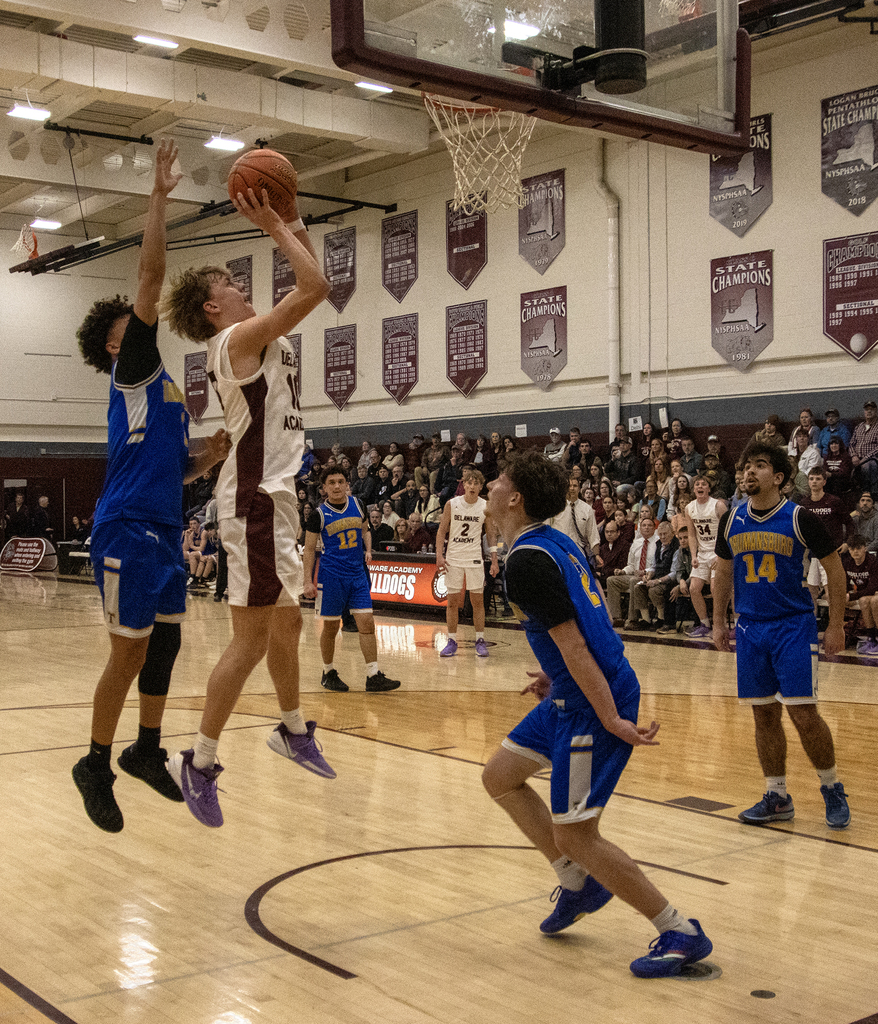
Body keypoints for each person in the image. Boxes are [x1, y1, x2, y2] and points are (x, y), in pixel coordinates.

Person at [481, 451, 712, 977]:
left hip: (591, 700)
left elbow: (576, 644)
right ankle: (576, 882)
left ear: (514, 499)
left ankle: (678, 929)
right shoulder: (555, 540)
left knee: (577, 834)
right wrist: (555, 672)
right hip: (573, 687)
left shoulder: (526, 561)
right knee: (500, 776)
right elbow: (594, 614)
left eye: (498, 481)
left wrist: (609, 717)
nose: (490, 485)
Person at [160, 180, 334, 828]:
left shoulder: (248, 339)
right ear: (213, 306)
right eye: (231, 283)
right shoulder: (235, 340)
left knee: (287, 627)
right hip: (255, 500)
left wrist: (292, 215)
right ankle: (200, 760)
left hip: (274, 497)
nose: (242, 286)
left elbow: (307, 276)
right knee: (251, 640)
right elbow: (315, 288)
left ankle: (291, 728)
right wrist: (275, 228)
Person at [71, 141, 231, 833]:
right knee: (128, 650)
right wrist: (159, 200)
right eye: (128, 324)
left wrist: (208, 458)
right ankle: (94, 763)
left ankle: (145, 749)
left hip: (163, 524)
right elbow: (151, 273)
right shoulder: (131, 367)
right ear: (115, 344)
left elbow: (175, 469)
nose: (141, 322)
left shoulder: (163, 387)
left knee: (164, 645)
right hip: (127, 526)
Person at [712, 441, 851, 830]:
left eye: (759, 465)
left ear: (779, 478)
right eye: (746, 465)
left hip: (793, 625)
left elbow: (835, 571)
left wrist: (836, 624)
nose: (749, 471)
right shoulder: (731, 519)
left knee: (803, 713)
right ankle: (777, 796)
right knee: (763, 713)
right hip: (750, 628)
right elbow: (723, 572)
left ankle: (831, 787)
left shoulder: (799, 518)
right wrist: (719, 622)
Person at [302, 468, 402, 693]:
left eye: (340, 481)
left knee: (367, 623)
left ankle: (373, 675)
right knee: (330, 627)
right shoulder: (318, 514)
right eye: (331, 482)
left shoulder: (358, 505)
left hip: (357, 574)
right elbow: (309, 550)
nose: (337, 486)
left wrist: (368, 549)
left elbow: (365, 530)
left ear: (347, 484)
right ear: (324, 488)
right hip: (331, 576)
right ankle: (328, 672)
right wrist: (307, 581)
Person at [435, 468, 499, 657]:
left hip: (474, 558)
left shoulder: (485, 506)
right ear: (463, 484)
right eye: (469, 482)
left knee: (477, 601)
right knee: (452, 602)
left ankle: (480, 639)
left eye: (475, 483)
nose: (472, 486)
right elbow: (441, 530)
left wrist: (494, 560)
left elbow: (491, 534)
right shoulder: (452, 504)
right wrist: (439, 556)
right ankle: (451, 640)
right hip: (453, 558)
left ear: (481, 487)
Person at [683, 476, 727, 638]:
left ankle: (719, 624)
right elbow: (691, 534)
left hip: (717, 552)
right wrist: (693, 555)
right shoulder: (689, 508)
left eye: (704, 484)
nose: (700, 486)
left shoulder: (718, 505)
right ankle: (704, 624)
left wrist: (721, 555)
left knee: (716, 589)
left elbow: (727, 531)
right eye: (697, 484)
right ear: (693, 489)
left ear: (709, 488)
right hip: (702, 554)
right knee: (694, 589)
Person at [605, 516, 658, 629]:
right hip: (635, 575)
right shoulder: (636, 543)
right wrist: (623, 571)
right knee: (611, 580)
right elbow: (632, 565)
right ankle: (616, 617)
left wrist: (645, 571)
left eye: (649, 525)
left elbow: (658, 565)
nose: (646, 527)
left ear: (654, 528)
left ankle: (632, 619)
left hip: (650, 576)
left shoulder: (658, 542)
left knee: (633, 581)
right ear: (640, 528)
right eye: (644, 525)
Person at [841, 534, 878, 653]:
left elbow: (872, 588)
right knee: (863, 600)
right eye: (852, 548)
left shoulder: (873, 561)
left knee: (875, 601)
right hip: (866, 594)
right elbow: (844, 582)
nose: (855, 551)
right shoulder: (847, 563)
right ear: (849, 550)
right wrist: (844, 594)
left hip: (874, 591)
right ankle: (871, 639)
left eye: (858, 548)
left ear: (865, 548)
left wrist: (850, 596)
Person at [849, 399, 878, 497]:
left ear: (876, 411)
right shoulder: (859, 427)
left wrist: (865, 459)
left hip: (872, 459)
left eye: (871, 409)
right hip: (856, 459)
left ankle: (871, 494)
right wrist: (854, 456)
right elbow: (851, 444)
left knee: (867, 466)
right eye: (866, 409)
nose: (869, 411)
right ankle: (854, 495)